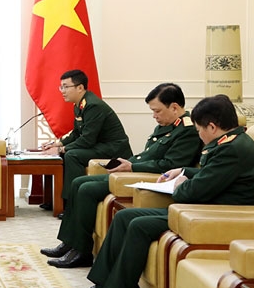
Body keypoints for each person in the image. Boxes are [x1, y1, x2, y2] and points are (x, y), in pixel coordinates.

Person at [63, 94, 254, 288]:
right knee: (124, 217)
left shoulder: (232, 150)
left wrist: (180, 185)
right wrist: (186, 172)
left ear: (212, 126)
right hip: (202, 207)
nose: (199, 135)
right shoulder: (230, 142)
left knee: (138, 225)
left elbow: (193, 191)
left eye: (200, 130)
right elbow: (216, 176)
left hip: (214, 213)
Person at [41, 83, 201, 268]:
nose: (154, 116)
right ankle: (69, 243)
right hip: (135, 172)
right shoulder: (169, 124)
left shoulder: (187, 130)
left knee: (86, 189)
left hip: (147, 178)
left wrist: (132, 167)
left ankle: (82, 252)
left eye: (157, 111)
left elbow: (170, 165)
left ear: (174, 107)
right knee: (78, 183)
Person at [41, 69, 132, 212]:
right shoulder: (79, 105)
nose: (62, 91)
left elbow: (87, 140)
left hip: (113, 149)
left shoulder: (93, 105)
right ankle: (56, 200)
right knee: (64, 154)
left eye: (65, 86)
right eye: (61, 87)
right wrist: (57, 143)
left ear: (80, 88)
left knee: (72, 155)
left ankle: (72, 204)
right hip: (99, 145)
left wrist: (61, 149)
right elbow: (77, 133)